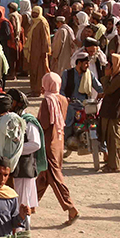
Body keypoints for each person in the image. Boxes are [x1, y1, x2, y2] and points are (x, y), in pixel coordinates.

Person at [36, 72, 79, 224]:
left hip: (48, 144)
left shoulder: (47, 101)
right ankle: (29, 205)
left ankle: (70, 207)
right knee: (43, 176)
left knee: (54, 176)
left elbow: (44, 124)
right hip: (59, 142)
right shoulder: (62, 99)